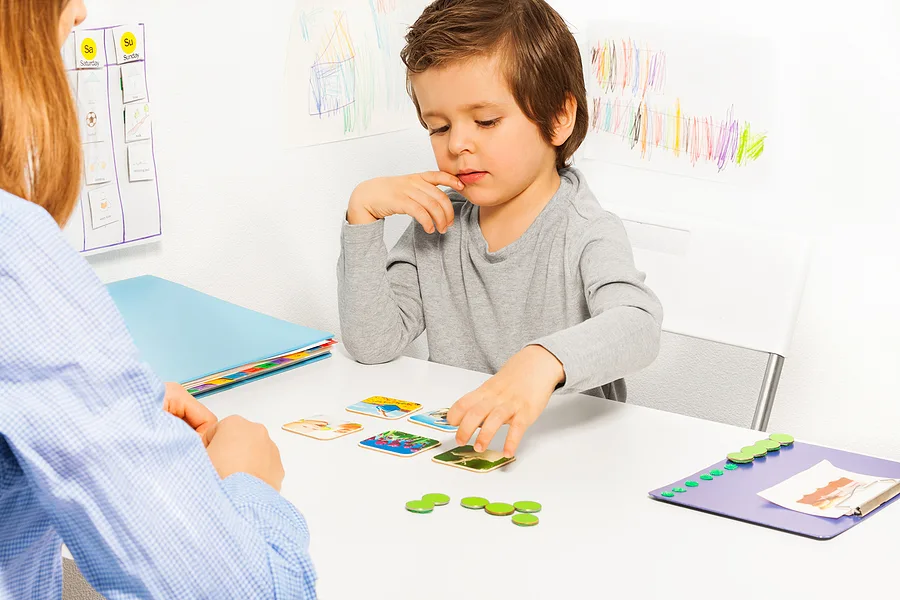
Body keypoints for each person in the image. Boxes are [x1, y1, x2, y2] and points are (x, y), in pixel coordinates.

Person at [0, 2, 316, 598]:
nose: (81, 11)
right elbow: (243, 591)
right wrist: (244, 478)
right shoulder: (14, 250)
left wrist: (113, 405)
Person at [337, 0, 663, 458]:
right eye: (439, 127)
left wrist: (541, 361)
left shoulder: (587, 229)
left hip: (569, 458)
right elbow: (373, 344)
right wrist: (362, 217)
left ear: (558, 118)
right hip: (471, 452)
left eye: (486, 121)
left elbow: (639, 325)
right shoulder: (437, 223)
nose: (457, 143)